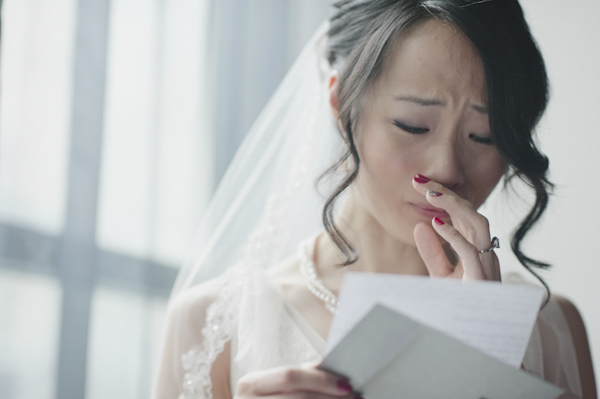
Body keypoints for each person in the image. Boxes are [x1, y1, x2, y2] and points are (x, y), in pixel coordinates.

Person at [152, 1, 596, 398]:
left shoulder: (552, 327)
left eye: (485, 136)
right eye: (413, 125)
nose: (446, 170)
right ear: (340, 102)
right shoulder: (214, 323)